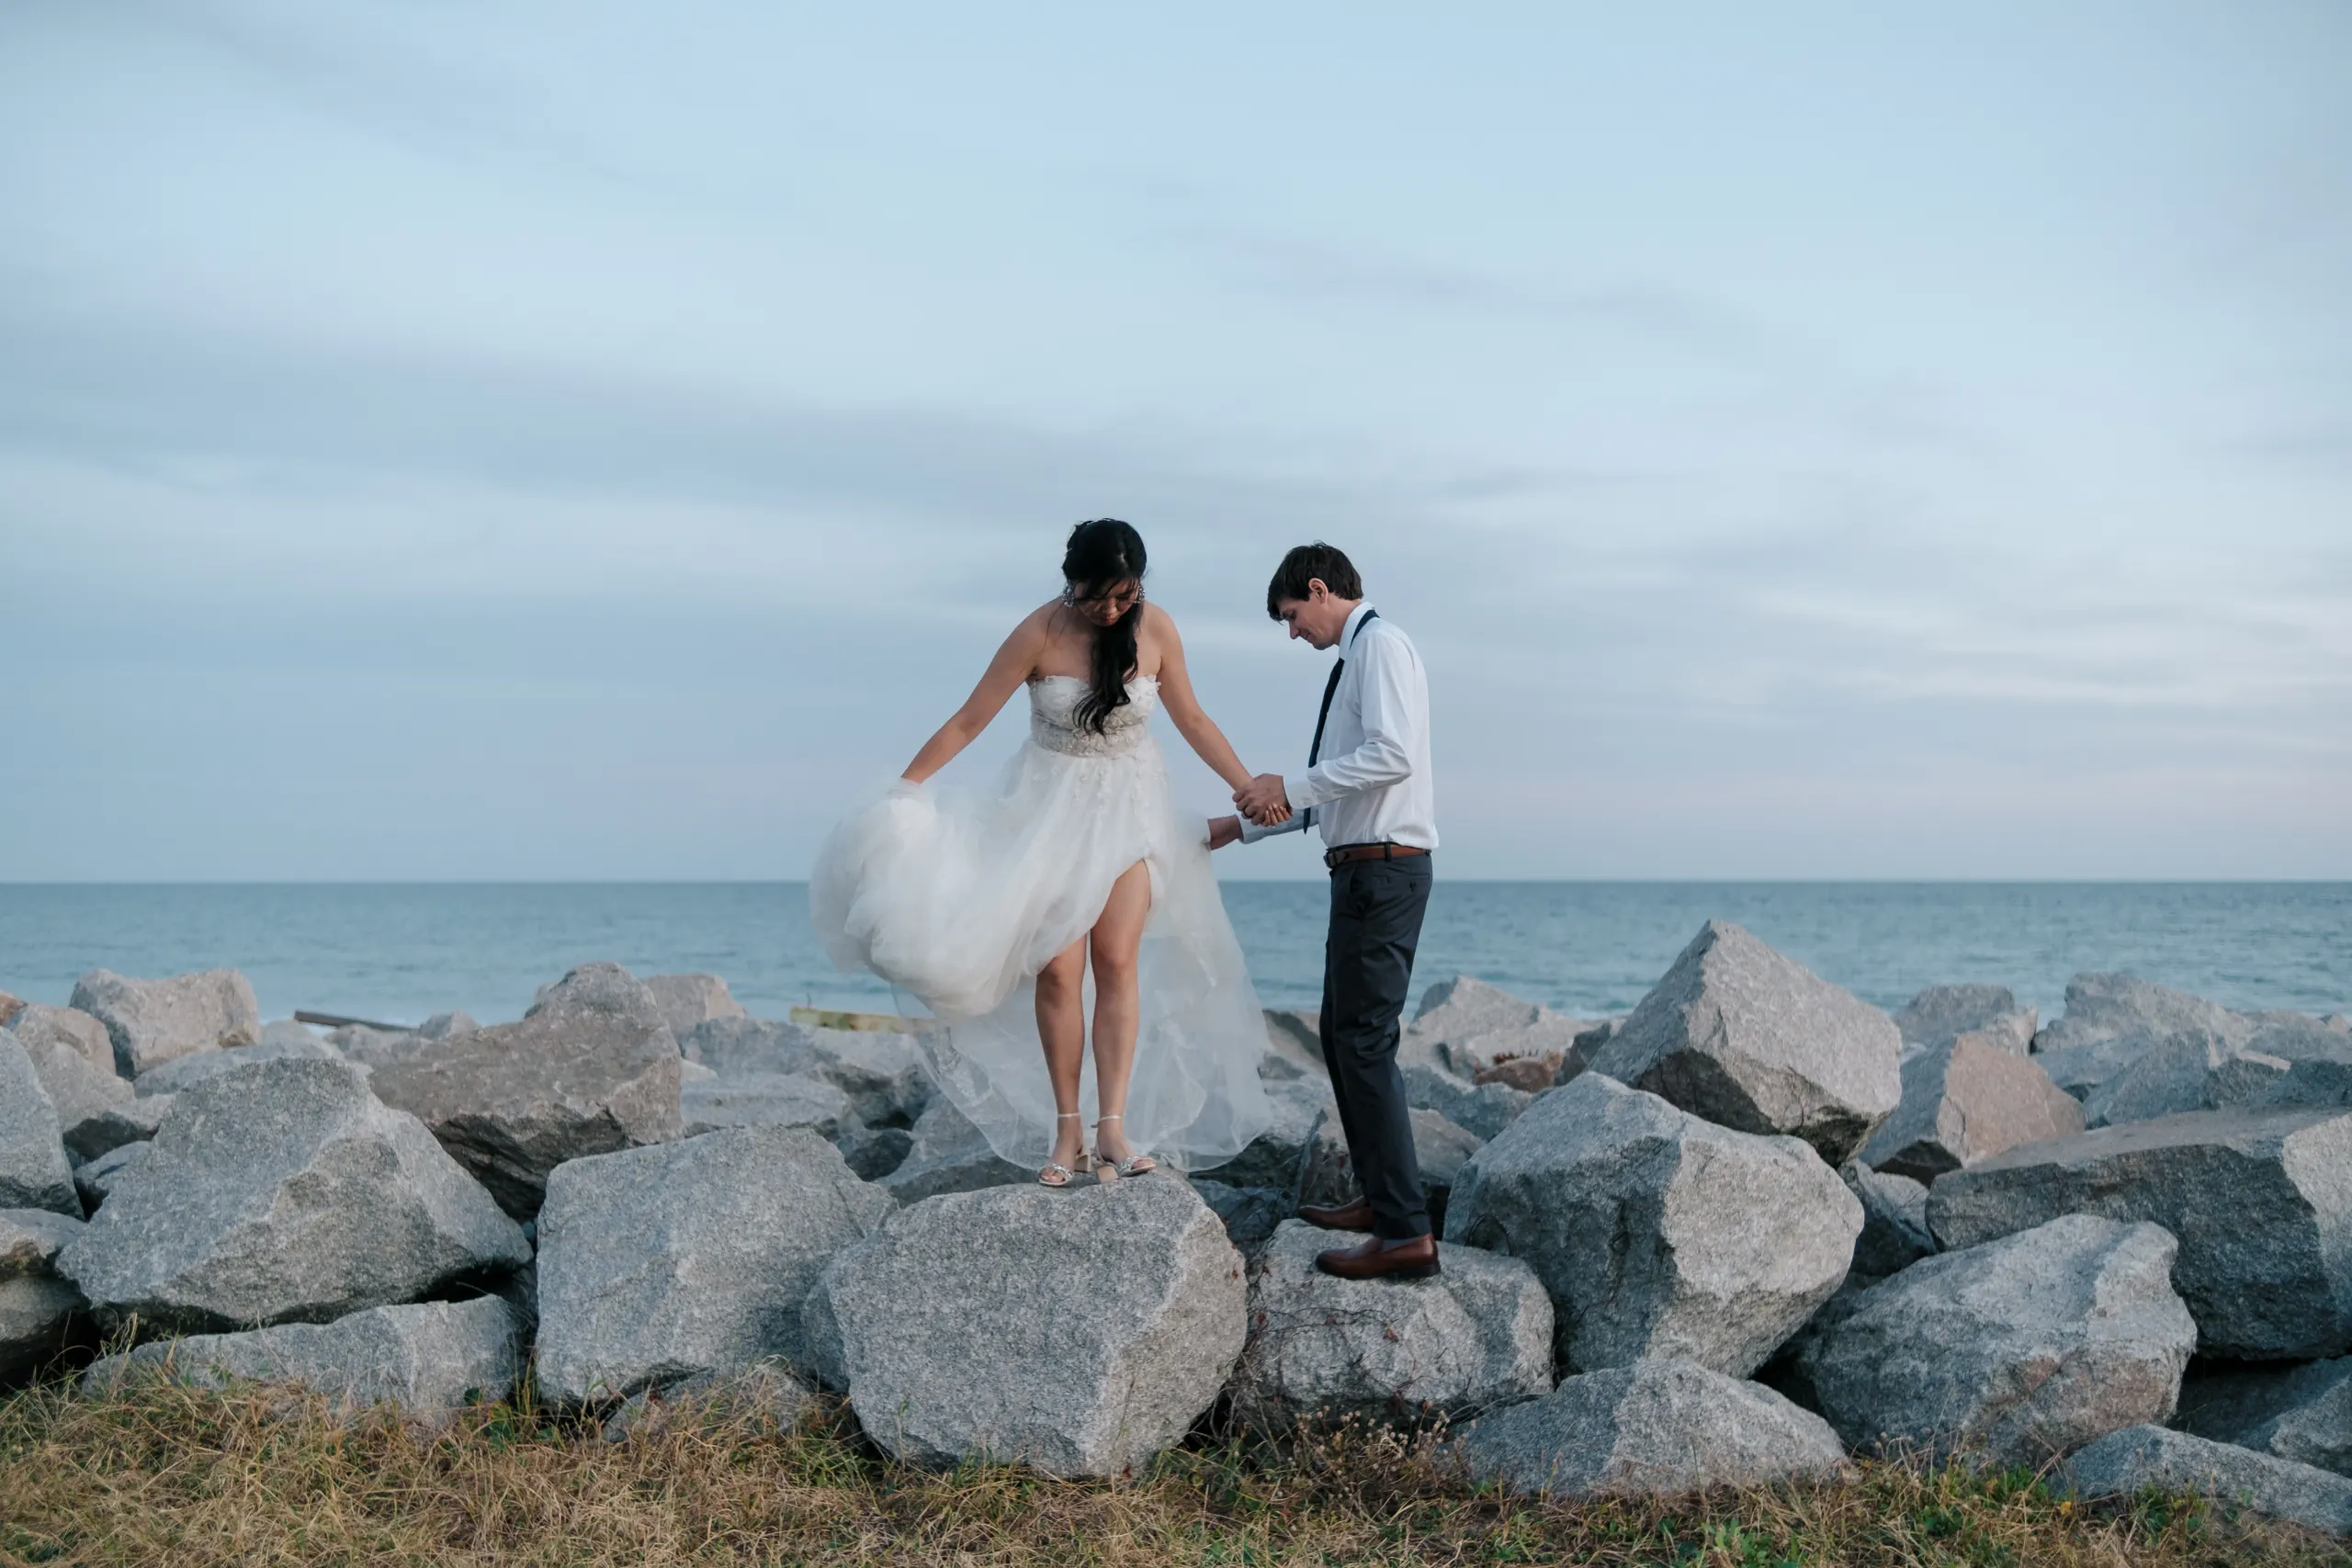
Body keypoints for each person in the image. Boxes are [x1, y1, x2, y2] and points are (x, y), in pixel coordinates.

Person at [812, 519, 1277, 1187]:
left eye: (1125, 595)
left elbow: (1194, 719)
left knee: (1117, 959)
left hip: (1133, 806)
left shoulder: (1157, 629)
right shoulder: (1039, 631)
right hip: (1049, 810)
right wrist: (904, 790)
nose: (1113, 609)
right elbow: (970, 718)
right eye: (1099, 596)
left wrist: (1245, 786)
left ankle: (1111, 1127)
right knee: (1059, 970)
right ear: (1072, 580)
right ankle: (1068, 1132)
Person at [1209, 542, 1440, 1280]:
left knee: (1363, 1042)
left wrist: (1292, 781)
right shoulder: (1356, 659)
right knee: (1343, 1038)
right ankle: (1380, 1200)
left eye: (1291, 615)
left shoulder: (1380, 647)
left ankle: (1406, 1232)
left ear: (1318, 587)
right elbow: (1327, 796)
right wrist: (1234, 828)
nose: (1292, 632)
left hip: (1385, 871)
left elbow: (1393, 755)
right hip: (1361, 871)